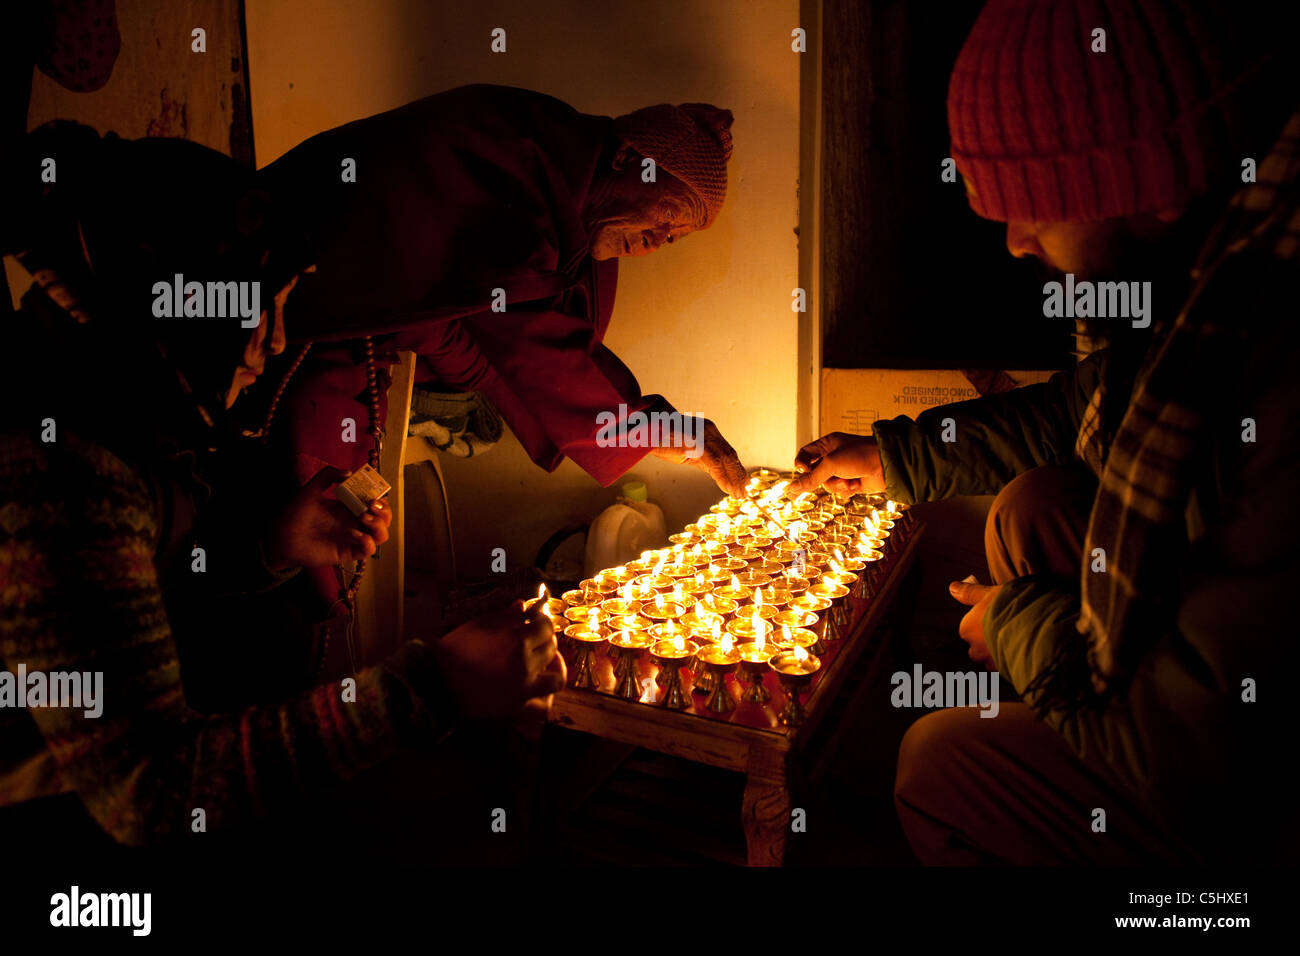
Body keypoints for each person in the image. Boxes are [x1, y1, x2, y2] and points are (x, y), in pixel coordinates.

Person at [788, 0, 1299, 864]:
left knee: (938, 762)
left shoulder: (1277, 348)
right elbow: (1085, 406)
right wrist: (897, 456)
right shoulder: (1204, 274)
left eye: (1038, 207)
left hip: (1240, 767)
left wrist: (1017, 626)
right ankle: (1067, 713)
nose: (1017, 243)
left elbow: (1200, 738)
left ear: (1152, 183)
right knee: (1030, 507)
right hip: (1207, 674)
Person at [0, 124, 565, 848]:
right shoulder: (58, 465)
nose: (271, 341)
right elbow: (155, 792)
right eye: (262, 306)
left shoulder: (119, 406)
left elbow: (133, 595)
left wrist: (268, 543)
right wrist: (432, 687)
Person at [253, 84, 749, 510]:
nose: (661, 240)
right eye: (667, 215)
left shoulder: (573, 199)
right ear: (625, 158)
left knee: (335, 524)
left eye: (678, 237)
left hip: (368, 348)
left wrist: (653, 424)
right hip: (271, 299)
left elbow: (555, 338)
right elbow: (530, 336)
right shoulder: (524, 160)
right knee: (297, 510)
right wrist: (655, 429)